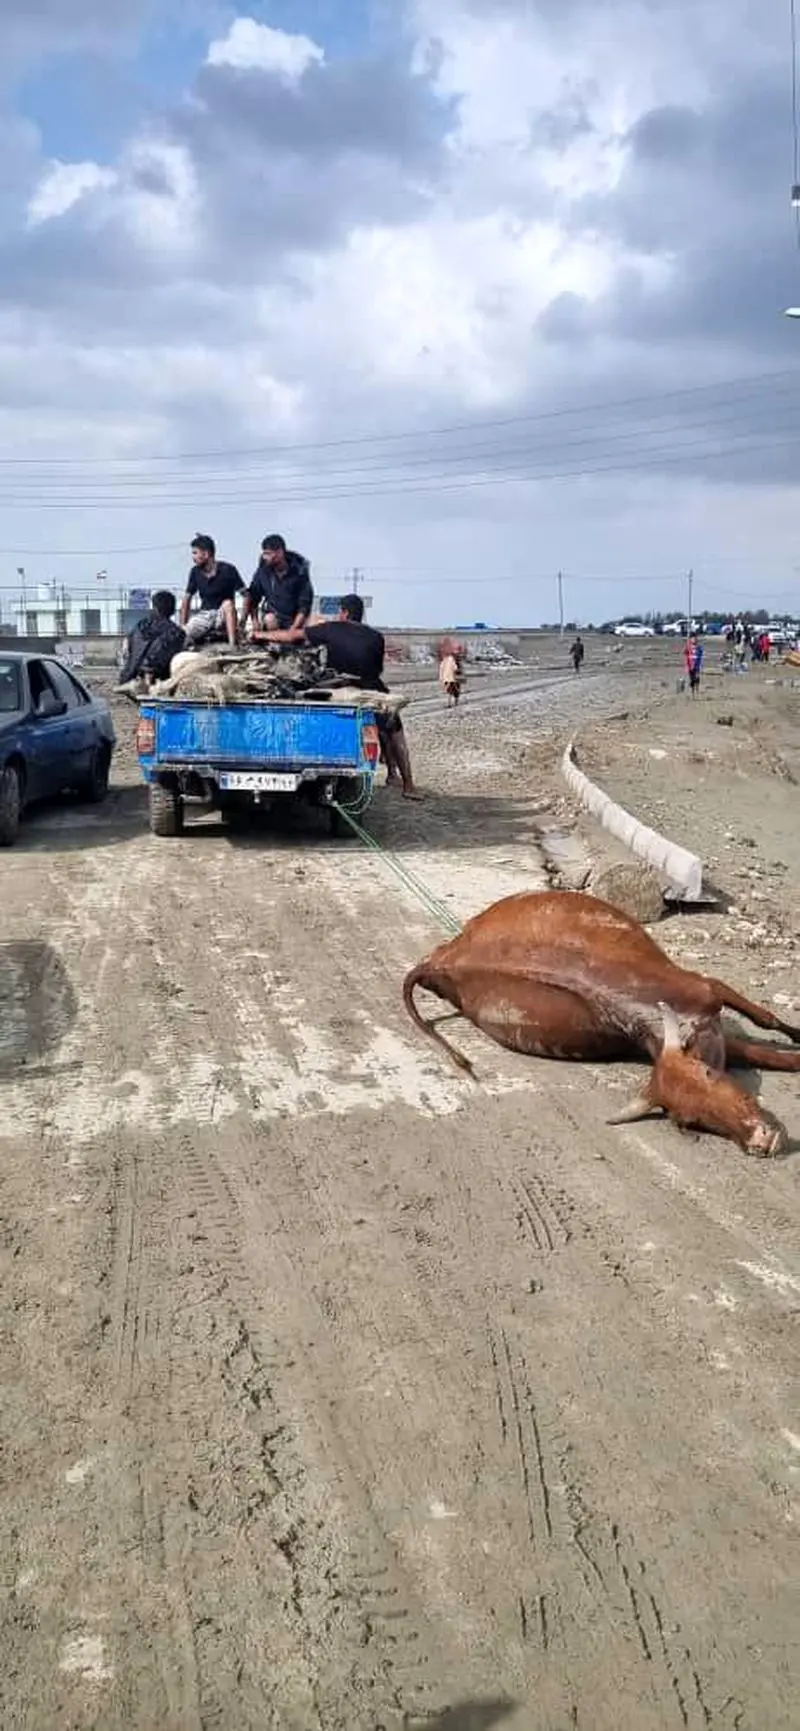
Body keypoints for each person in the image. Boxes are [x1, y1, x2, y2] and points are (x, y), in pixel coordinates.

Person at [254, 594, 421, 798]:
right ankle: (407, 784)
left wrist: (260, 635)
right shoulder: (376, 636)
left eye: (340, 611)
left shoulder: (331, 628)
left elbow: (292, 636)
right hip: (369, 687)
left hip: (339, 686)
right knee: (394, 729)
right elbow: (377, 668)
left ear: (344, 613)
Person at [180, 534, 243, 647]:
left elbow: (246, 595)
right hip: (204, 615)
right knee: (183, 635)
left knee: (228, 603)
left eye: (195, 553)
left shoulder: (228, 570)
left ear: (206, 554)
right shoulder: (195, 572)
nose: (193, 557)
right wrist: (183, 626)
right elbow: (186, 599)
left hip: (222, 614)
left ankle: (233, 645)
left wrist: (243, 621)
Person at [118, 591, 186, 693]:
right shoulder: (176, 633)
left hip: (127, 678)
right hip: (153, 683)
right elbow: (154, 661)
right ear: (173, 610)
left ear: (154, 607)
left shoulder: (140, 626)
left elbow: (128, 649)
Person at [244, 534, 313, 632]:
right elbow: (254, 597)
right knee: (269, 619)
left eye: (268, 553)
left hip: (297, 620)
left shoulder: (300, 572)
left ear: (280, 552)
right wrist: (255, 621)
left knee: (318, 621)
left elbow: (304, 606)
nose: (264, 557)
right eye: (264, 553)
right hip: (274, 619)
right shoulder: (263, 571)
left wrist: (293, 629)